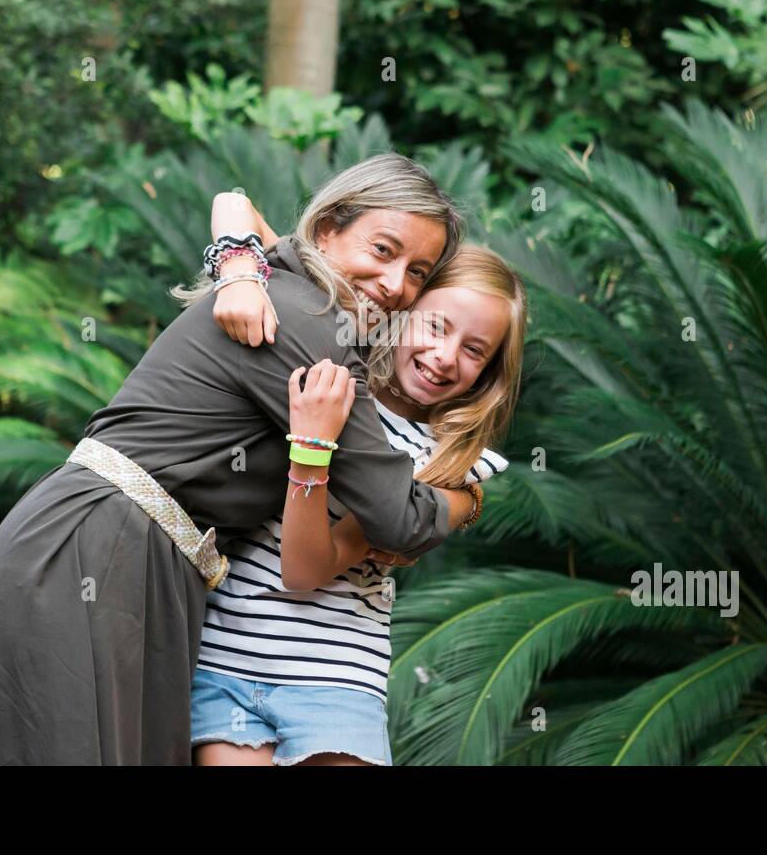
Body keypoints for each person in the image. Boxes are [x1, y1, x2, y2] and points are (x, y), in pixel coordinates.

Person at [0, 153, 480, 764]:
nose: (395, 285)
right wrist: (469, 498)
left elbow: (239, 204)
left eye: (418, 272)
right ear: (328, 229)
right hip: (96, 552)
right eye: (383, 251)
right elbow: (399, 519)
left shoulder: (283, 289)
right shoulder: (314, 325)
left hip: (112, 549)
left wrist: (237, 262)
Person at [189, 196, 527, 765]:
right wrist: (240, 276)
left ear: (489, 372)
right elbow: (236, 205)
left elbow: (303, 570)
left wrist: (313, 450)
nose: (445, 357)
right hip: (228, 664)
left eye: (474, 350)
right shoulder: (331, 357)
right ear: (401, 310)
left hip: (335, 684)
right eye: (436, 326)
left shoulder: (449, 471)